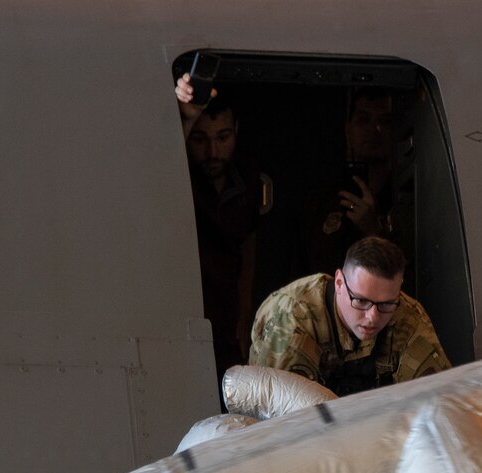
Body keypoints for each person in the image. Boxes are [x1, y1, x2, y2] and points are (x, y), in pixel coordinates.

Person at [250, 236, 449, 396]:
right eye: (361, 301)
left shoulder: (407, 316)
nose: (372, 317)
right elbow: (278, 421)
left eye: (386, 304)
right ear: (338, 282)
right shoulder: (291, 319)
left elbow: (438, 397)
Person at [176, 73, 259, 383]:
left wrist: (245, 306)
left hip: (230, 313)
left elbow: (249, 240)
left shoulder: (247, 176)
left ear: (236, 131)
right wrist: (185, 119)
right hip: (191, 307)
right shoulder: (180, 179)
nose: (212, 152)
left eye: (223, 138)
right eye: (200, 139)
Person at [300, 88, 414, 288]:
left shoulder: (409, 202)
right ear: (348, 130)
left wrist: (373, 231)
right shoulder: (321, 202)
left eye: (385, 121)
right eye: (363, 120)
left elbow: (410, 278)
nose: (375, 129)